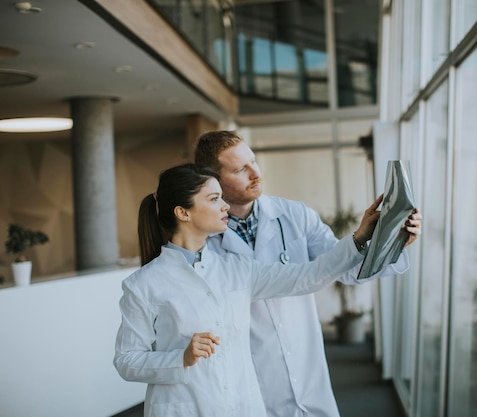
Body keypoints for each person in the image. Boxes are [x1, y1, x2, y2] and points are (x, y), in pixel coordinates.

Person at [114, 164, 420, 417]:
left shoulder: (236, 269)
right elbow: (126, 360)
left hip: (244, 406)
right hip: (184, 409)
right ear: (183, 212)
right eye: (213, 199)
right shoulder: (144, 284)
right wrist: (180, 358)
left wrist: (358, 238)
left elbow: (309, 275)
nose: (224, 207)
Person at [194, 130, 422, 417]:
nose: (256, 173)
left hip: (305, 360)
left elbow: (345, 270)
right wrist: (355, 241)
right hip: (249, 373)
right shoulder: (203, 240)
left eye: (254, 161)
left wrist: (393, 243)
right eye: (241, 169)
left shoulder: (295, 215)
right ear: (213, 180)